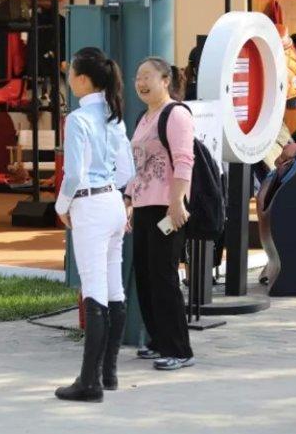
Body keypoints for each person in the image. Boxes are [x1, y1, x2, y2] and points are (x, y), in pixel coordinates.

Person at [54, 47, 134, 403]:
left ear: (83, 79)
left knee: (95, 291)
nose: (68, 77)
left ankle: (89, 381)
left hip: (90, 204)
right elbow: (127, 171)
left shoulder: (78, 119)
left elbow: (73, 174)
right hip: (114, 202)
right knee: (113, 287)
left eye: (71, 72)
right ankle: (108, 373)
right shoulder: (114, 114)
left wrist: (61, 205)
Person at [125, 57, 196, 371]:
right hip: (143, 206)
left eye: (147, 76)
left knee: (165, 277)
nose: (140, 82)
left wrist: (177, 201)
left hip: (167, 208)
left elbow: (184, 161)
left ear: (166, 80)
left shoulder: (176, 114)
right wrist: (129, 200)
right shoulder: (144, 116)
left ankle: (179, 349)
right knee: (146, 276)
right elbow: (137, 166)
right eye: (137, 77)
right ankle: (158, 340)